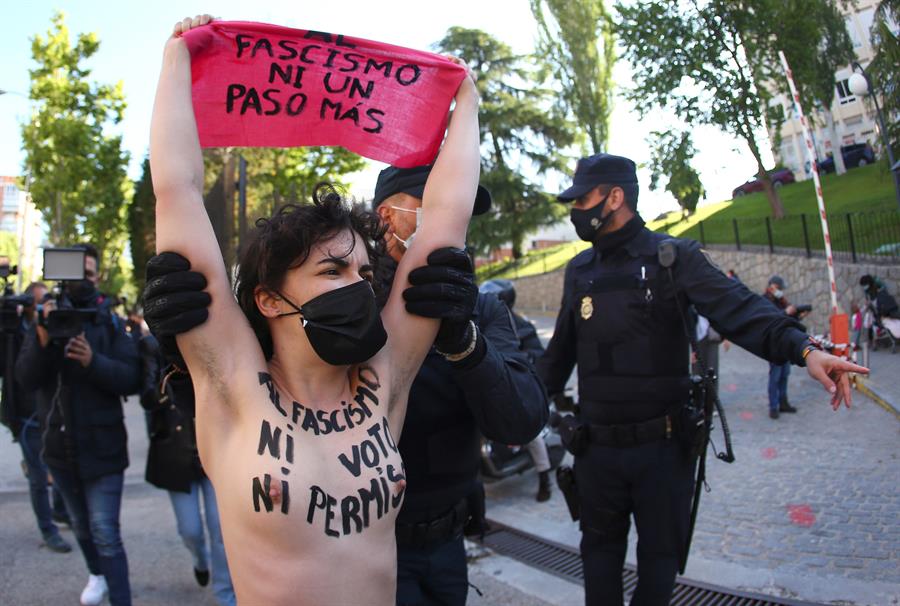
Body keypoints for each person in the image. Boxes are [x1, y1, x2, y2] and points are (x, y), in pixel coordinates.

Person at [150, 14, 481, 605]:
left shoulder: (383, 385)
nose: (358, 285)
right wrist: (178, 59)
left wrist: (466, 100)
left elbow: (447, 217)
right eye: (332, 272)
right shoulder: (233, 388)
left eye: (362, 270)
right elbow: (177, 189)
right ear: (270, 298)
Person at [144, 164, 549, 606]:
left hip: (444, 541)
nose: (451, 221)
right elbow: (240, 418)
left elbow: (522, 419)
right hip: (349, 544)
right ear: (387, 216)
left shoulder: (474, 307)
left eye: (361, 275)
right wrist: (184, 359)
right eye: (425, 207)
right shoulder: (332, 315)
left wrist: (464, 343)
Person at [537, 153, 868, 606]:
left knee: (659, 565)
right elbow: (557, 358)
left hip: (662, 454)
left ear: (615, 197)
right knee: (598, 561)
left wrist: (805, 349)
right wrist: (508, 398)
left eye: (583, 199)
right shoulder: (580, 271)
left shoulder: (673, 259)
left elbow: (744, 312)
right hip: (597, 453)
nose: (576, 210)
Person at [16, 245, 141, 606]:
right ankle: (97, 574)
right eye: (75, 275)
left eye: (88, 274)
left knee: (105, 532)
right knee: (82, 527)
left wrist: (93, 361)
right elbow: (26, 379)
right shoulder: (47, 319)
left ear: (97, 276)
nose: (82, 282)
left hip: (104, 448)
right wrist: (42, 340)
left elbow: (131, 378)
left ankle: (121, 599)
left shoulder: (111, 322)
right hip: (59, 448)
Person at [138, 332, 236, 605]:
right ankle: (199, 560)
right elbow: (146, 397)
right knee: (190, 529)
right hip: (175, 452)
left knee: (221, 529)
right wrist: (175, 376)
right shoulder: (150, 346)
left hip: (213, 450)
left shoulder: (211, 338)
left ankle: (224, 592)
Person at [0, 281, 72, 554]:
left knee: (58, 467)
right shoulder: (13, 331)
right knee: (39, 476)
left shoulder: (54, 326)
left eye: (46, 302)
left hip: (51, 411)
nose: (43, 308)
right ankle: (48, 529)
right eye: (38, 302)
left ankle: (61, 511)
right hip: (25, 414)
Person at [479, 278, 553, 502]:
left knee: (529, 432)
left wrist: (521, 363)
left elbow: (537, 355)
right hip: (492, 383)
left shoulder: (522, 325)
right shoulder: (484, 321)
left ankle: (544, 477)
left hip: (516, 386)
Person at [762, 275, 807, 418]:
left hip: (785, 344)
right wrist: (784, 312)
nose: (781, 291)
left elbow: (787, 320)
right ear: (772, 286)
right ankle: (773, 406)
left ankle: (783, 402)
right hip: (773, 345)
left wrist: (797, 316)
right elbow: (769, 319)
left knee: (784, 374)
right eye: (779, 288)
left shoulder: (781, 301)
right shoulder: (764, 300)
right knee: (775, 376)